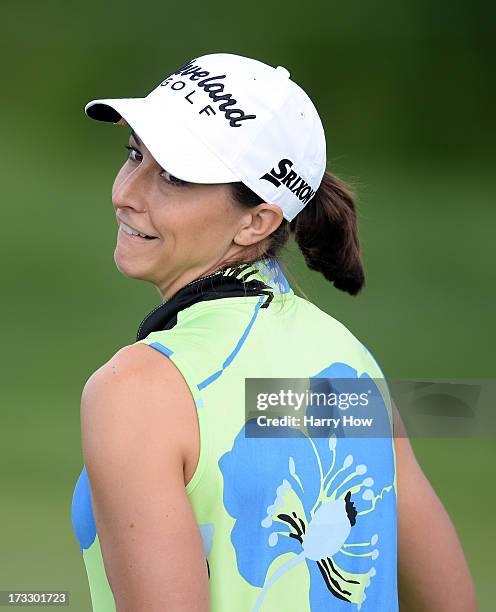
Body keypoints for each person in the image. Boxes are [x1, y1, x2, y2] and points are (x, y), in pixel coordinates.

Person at [71, 53, 476, 611]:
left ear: (257, 220)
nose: (126, 192)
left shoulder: (137, 389)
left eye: (173, 175)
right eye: (135, 154)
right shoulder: (345, 360)